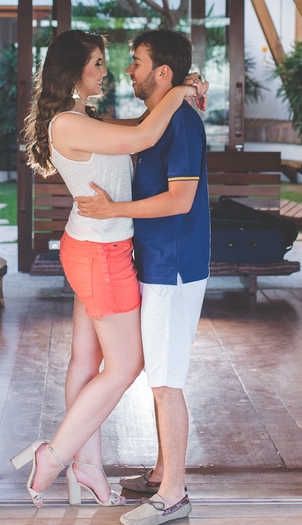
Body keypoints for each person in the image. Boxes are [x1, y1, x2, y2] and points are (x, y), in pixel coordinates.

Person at [11, 29, 204, 509]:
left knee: (86, 361)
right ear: (75, 71)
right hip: (101, 253)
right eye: (98, 62)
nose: (109, 70)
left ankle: (88, 464)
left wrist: (179, 87)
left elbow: (143, 125)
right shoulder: (69, 125)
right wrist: (180, 89)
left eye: (119, 61)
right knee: (126, 365)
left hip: (94, 248)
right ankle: (54, 455)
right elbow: (142, 134)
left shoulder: (81, 118)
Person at [76, 29, 209, 525]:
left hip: (174, 270)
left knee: (167, 382)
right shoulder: (161, 117)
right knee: (159, 376)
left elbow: (181, 200)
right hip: (159, 265)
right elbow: (127, 130)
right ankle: (161, 473)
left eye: (135, 62)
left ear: (162, 73)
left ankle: (173, 495)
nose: (128, 70)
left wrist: (114, 208)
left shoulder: (183, 125)